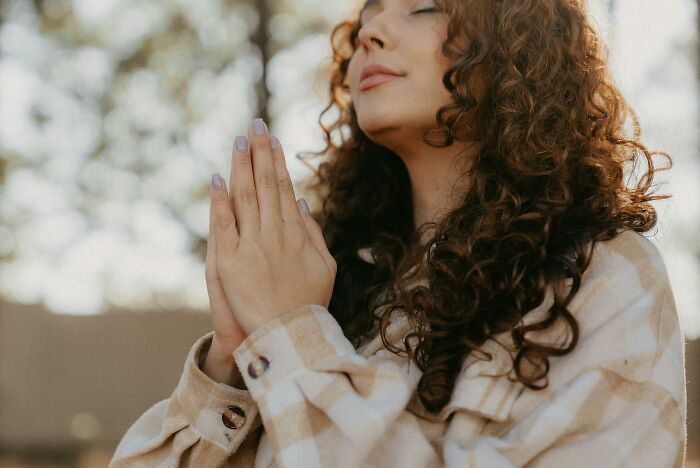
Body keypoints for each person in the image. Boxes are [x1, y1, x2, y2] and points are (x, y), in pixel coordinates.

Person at [109, 0, 687, 466]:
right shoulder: (335, 282)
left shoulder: (604, 276)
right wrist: (236, 360)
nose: (371, 31)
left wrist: (290, 338)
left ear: (518, 46)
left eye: (425, 7)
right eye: (371, 9)